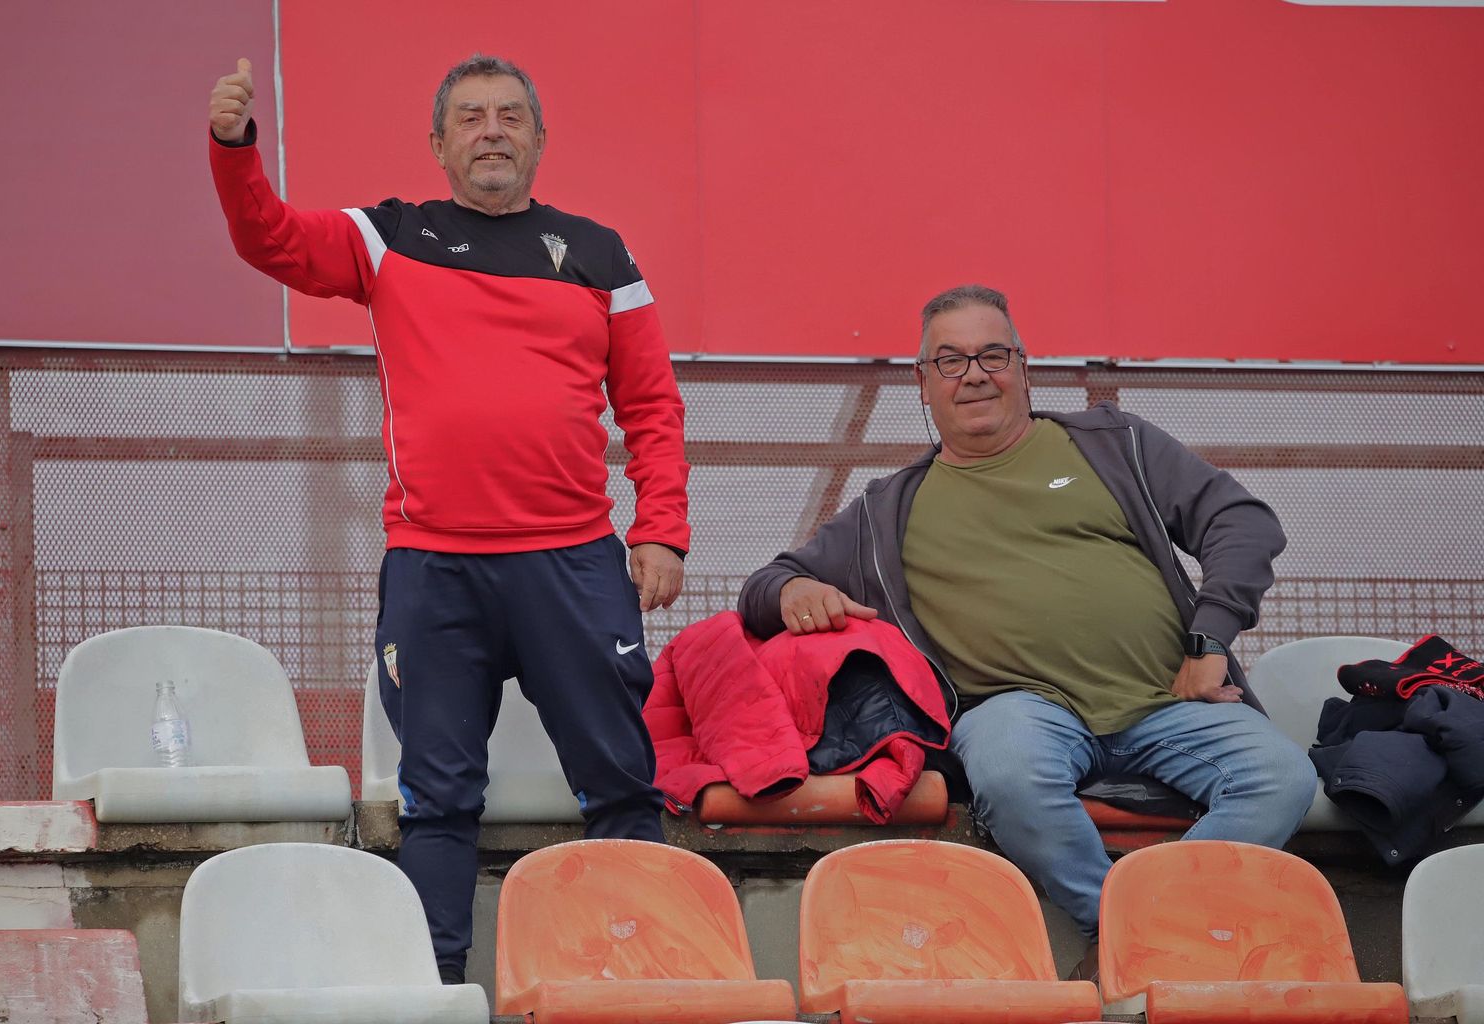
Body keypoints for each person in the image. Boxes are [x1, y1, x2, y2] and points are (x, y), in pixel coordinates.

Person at [208, 53, 689, 982]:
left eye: (511, 116)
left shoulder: (602, 252)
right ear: (438, 145)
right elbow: (267, 238)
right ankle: (435, 991)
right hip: (435, 566)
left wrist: (660, 526)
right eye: (470, 118)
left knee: (625, 784)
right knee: (437, 801)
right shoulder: (389, 237)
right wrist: (235, 148)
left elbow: (652, 407)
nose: (492, 132)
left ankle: (639, 984)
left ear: (541, 140)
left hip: (576, 564)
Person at [738, 284, 1315, 974]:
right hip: (1021, 713)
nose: (974, 373)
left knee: (1281, 776)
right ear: (922, 385)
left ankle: (1150, 936)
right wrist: (797, 588)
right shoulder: (886, 510)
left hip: (1171, 699)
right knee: (1009, 774)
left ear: (1024, 366)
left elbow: (1242, 522)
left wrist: (1211, 639)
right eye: (949, 361)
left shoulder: (1115, 444)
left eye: (992, 353)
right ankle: (1136, 934)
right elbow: (763, 586)